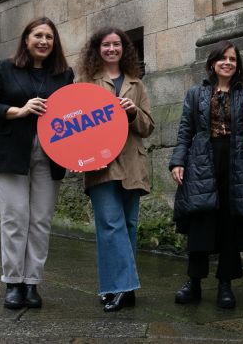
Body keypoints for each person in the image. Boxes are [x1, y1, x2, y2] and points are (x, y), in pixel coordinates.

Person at [0, 17, 74, 309]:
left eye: (49, 37)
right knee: (15, 219)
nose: (44, 41)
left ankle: (32, 283)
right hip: (11, 155)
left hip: (50, 156)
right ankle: (13, 282)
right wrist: (18, 111)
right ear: (26, 39)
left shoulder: (64, 75)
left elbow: (73, 113)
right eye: (38, 36)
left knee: (40, 221)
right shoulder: (6, 69)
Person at [169, 41, 243, 309]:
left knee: (229, 225)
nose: (228, 62)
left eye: (233, 59)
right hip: (202, 163)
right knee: (200, 223)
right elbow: (185, 131)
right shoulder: (195, 94)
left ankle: (226, 284)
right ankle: (194, 283)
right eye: (223, 58)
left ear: (237, 65)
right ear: (213, 63)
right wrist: (177, 162)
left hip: (237, 164)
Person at [78, 28, 155, 312]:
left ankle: (116, 286)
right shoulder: (86, 82)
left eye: (117, 44)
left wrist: (133, 111)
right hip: (101, 165)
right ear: (97, 49)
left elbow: (148, 127)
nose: (112, 49)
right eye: (106, 44)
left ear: (124, 48)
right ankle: (124, 287)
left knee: (129, 226)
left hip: (132, 162)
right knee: (110, 225)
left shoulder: (137, 83)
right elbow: (77, 126)